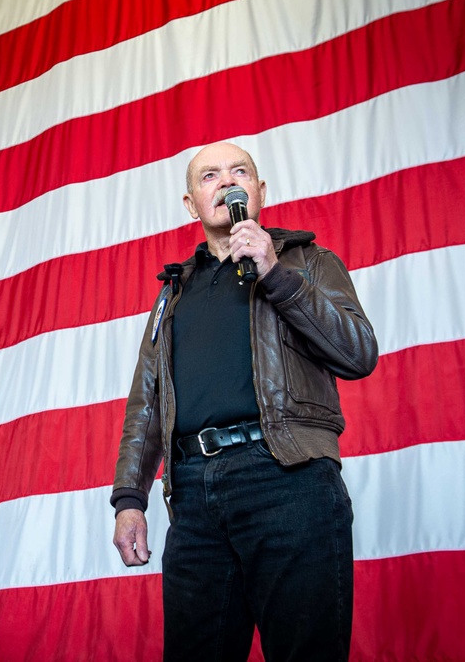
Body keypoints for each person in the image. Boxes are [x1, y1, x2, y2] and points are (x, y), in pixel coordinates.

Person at [111, 141, 378, 661]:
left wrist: (276, 273)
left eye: (240, 172)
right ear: (192, 203)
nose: (227, 181)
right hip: (192, 495)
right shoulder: (173, 293)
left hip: (289, 478)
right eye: (210, 176)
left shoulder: (309, 261)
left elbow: (358, 353)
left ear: (258, 192)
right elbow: (146, 401)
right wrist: (129, 501)